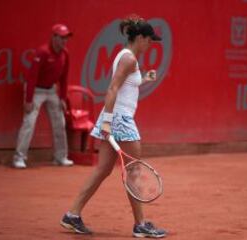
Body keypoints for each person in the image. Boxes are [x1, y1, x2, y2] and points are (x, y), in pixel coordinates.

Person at [60, 15, 167, 238]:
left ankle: (72, 214)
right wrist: (108, 121)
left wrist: (145, 78)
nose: (150, 45)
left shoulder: (126, 57)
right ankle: (140, 225)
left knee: (103, 170)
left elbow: (127, 86)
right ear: (139, 37)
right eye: (149, 41)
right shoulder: (129, 59)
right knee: (134, 171)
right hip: (120, 119)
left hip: (114, 117)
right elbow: (112, 89)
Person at [12, 24, 74, 169]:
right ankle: (19, 158)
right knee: (29, 122)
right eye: (61, 37)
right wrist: (28, 100)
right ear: (54, 37)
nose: (64, 40)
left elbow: (64, 78)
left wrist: (62, 98)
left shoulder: (65, 54)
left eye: (66, 37)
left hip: (52, 90)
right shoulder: (42, 52)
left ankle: (60, 157)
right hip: (36, 91)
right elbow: (32, 77)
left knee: (60, 122)